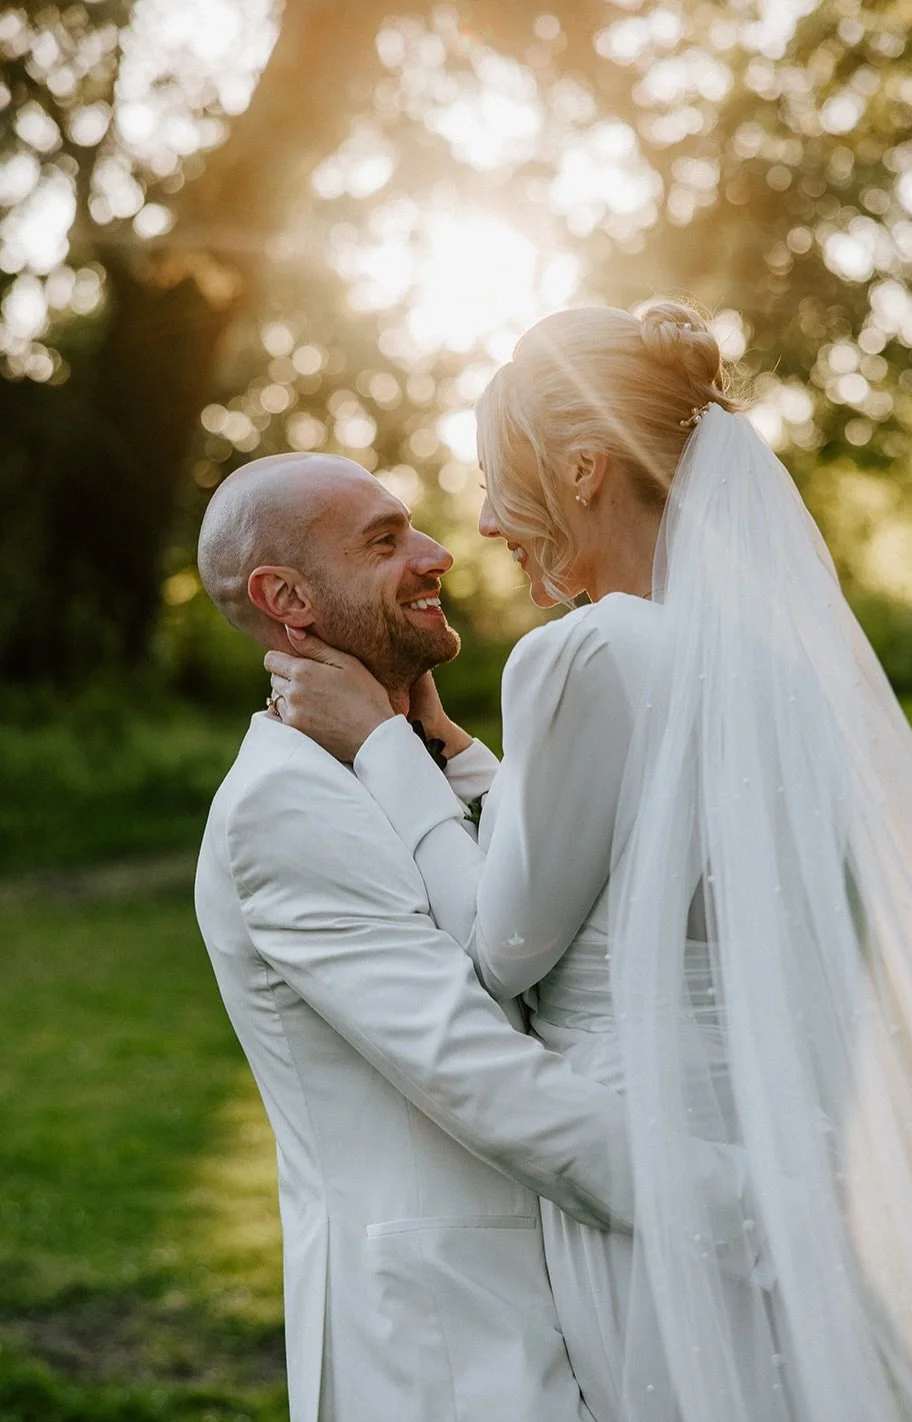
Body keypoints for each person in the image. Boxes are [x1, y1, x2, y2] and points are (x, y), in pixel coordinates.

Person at [265, 304, 912, 1422]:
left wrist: (384, 747)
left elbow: (502, 951)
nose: (491, 523)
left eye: (502, 482)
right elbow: (627, 862)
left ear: (584, 468)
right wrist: (456, 752)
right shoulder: (769, 666)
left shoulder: (582, 649)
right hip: (766, 1133)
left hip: (639, 1160)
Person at [194, 450, 651, 1422]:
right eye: (384, 541)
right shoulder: (285, 804)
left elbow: (527, 924)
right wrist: (734, 1193)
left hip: (548, 1312)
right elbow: (477, 1074)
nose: (440, 554)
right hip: (447, 1348)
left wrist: (421, 746)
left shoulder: (394, 760)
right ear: (289, 598)